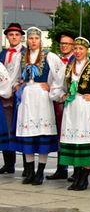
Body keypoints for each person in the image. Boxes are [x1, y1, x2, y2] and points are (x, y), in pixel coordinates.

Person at [50, 37, 90, 190]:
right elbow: (56, 86)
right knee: (74, 141)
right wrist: (61, 95)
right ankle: (77, 176)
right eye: (76, 49)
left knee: (85, 140)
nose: (78, 52)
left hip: (86, 107)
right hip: (71, 108)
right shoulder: (67, 68)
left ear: (87, 51)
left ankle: (84, 178)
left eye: (81, 49)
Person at [11, 27, 64, 185]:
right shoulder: (21, 56)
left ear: (41, 40)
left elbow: (61, 74)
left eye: (36, 38)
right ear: (27, 40)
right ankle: (30, 171)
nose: (33, 41)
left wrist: (52, 87)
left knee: (42, 133)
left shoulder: (49, 56)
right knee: (28, 134)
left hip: (42, 97)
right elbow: (13, 75)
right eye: (30, 38)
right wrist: (16, 86)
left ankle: (40, 172)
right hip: (27, 97)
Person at [46, 30, 77, 181]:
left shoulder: (76, 60)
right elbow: (52, 79)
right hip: (59, 101)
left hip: (73, 102)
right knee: (61, 134)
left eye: (67, 43)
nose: (64, 46)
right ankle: (61, 168)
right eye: (62, 43)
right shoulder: (57, 60)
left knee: (74, 133)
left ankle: (77, 169)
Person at [0, 23, 26, 175]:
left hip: (19, 95)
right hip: (4, 96)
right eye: (11, 35)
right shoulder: (2, 54)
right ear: (7, 37)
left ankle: (26, 165)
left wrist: (20, 84)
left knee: (21, 128)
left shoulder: (27, 53)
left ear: (21, 36)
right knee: (6, 128)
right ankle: (9, 164)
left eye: (16, 35)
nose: (14, 37)